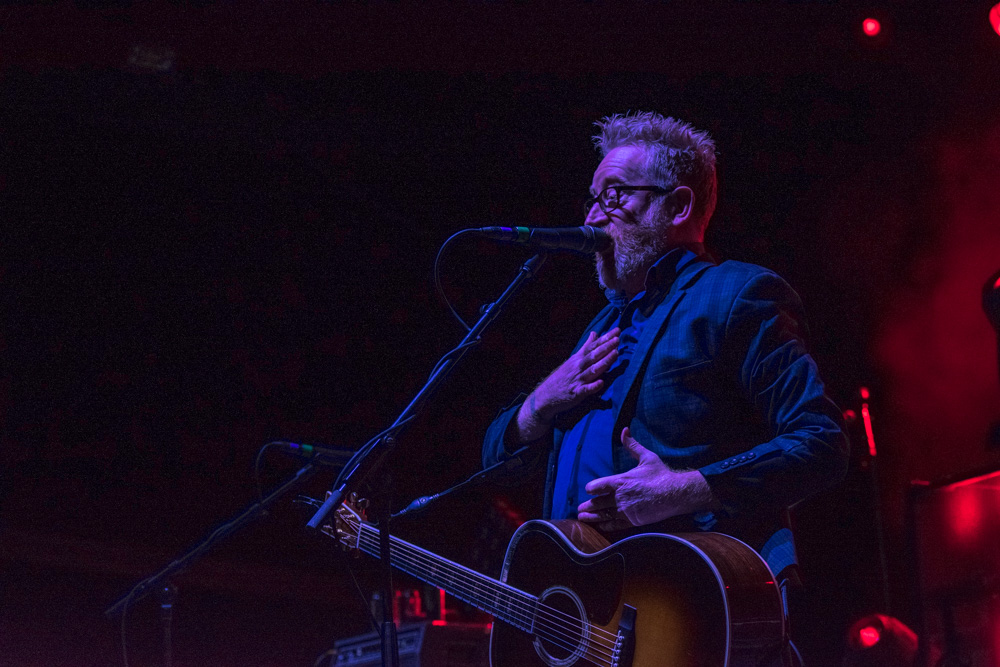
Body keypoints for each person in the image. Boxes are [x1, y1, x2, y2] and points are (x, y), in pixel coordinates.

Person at [482, 111, 849, 665]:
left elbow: (822, 443)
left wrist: (685, 488)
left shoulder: (737, 294)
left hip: (695, 618)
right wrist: (538, 405)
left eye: (615, 195)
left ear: (677, 207)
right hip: (592, 629)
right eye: (592, 197)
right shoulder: (598, 331)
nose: (593, 214)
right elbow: (492, 465)